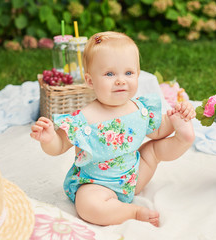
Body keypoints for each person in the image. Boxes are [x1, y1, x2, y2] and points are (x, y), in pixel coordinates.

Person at [30, 31, 196, 227]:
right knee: (88, 205)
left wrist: (175, 118)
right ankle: (131, 212)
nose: (120, 80)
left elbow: (159, 131)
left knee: (152, 150)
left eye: (128, 73)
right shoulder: (83, 118)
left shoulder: (140, 109)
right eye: (109, 74)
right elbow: (59, 146)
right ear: (90, 81)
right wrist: (49, 138)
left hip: (135, 175)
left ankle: (184, 138)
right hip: (97, 184)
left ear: (138, 74)